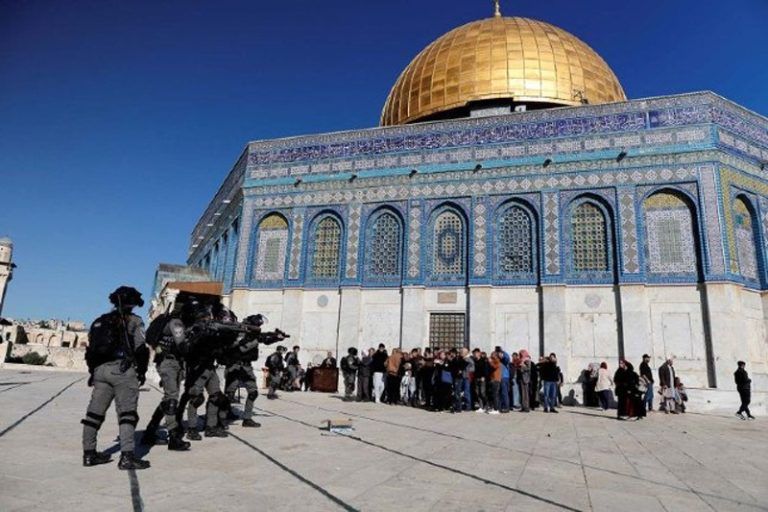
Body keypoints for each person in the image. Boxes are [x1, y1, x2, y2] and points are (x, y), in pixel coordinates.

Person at [81, 286, 150, 469]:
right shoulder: (135, 321)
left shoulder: (99, 321)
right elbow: (141, 348)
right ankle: (127, 457)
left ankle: (89, 454)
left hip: (100, 371)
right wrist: (141, 372)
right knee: (127, 413)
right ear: (133, 303)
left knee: (94, 414)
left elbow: (91, 351)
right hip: (122, 370)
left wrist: (92, 373)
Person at [223, 314, 286, 427]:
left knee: (253, 392)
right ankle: (221, 417)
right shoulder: (239, 333)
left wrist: (277, 337)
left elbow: (265, 338)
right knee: (229, 394)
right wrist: (251, 339)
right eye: (258, 325)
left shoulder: (254, 335)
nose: (259, 327)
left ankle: (247, 418)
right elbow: (239, 347)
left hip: (247, 367)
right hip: (235, 366)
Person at [141, 312, 191, 451]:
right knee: (171, 400)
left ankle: (150, 432)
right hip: (168, 363)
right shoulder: (176, 322)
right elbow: (181, 345)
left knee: (168, 398)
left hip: (173, 363)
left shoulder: (174, 322)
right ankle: (174, 437)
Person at [497, 346, 511, 413]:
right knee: (499, 393)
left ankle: (506, 407)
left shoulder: (504, 358)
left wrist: (503, 353)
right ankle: (500, 407)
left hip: (504, 377)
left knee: (504, 392)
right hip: (498, 377)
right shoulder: (497, 358)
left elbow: (507, 358)